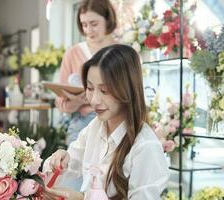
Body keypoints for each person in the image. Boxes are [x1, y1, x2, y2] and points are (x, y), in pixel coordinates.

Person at [44, 44, 169, 200]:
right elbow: (70, 164)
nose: (94, 100)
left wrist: (82, 199)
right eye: (89, 88)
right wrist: (61, 159)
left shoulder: (145, 146)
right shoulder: (95, 127)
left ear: (127, 89)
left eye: (105, 91)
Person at [56, 0, 118, 145]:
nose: (89, 30)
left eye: (94, 24)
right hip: (81, 125)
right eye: (84, 24)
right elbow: (60, 101)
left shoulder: (121, 52)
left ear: (107, 20)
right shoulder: (73, 54)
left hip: (117, 124)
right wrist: (76, 102)